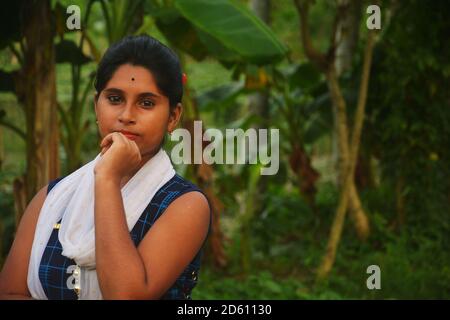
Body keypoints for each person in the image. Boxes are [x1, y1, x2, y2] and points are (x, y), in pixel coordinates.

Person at [0, 35, 211, 300]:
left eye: (146, 103)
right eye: (114, 99)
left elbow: (126, 296)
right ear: (96, 106)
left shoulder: (185, 205)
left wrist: (108, 179)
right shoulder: (51, 199)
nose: (126, 115)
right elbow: (9, 292)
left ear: (173, 117)